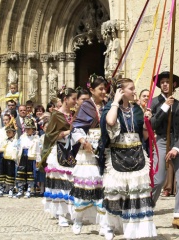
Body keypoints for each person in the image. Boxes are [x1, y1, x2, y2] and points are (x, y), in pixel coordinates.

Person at [101, 78, 157, 239]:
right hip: (117, 156)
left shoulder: (137, 109)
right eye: (131, 88)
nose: (134, 91)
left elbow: (144, 136)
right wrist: (115, 102)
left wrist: (147, 121)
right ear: (121, 91)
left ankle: (134, 229)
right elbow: (110, 121)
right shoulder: (111, 108)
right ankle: (110, 226)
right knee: (115, 192)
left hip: (137, 156)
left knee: (135, 193)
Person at [149, 71, 179, 230]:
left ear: (174, 85)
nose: (165, 84)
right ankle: (146, 209)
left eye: (168, 82)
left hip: (176, 144)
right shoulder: (154, 103)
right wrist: (165, 107)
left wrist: (176, 148)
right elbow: (152, 124)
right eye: (163, 82)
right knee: (158, 180)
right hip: (161, 141)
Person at [69, 76, 106, 235]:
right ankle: (78, 220)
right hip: (88, 153)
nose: (104, 92)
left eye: (105, 89)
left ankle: (105, 224)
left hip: (104, 151)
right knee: (86, 185)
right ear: (92, 90)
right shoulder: (85, 106)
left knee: (104, 188)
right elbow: (76, 128)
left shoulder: (108, 106)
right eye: (101, 89)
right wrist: (84, 142)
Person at [41, 87, 77, 226]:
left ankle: (70, 212)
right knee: (60, 183)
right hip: (59, 150)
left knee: (72, 182)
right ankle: (61, 214)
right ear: (65, 99)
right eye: (73, 99)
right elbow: (49, 134)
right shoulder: (56, 115)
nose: (75, 101)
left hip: (72, 151)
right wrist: (66, 132)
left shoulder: (74, 114)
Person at [14, 117, 40, 198]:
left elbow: (38, 150)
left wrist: (38, 160)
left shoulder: (36, 138)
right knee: (21, 174)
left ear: (33, 129)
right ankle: (20, 190)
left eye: (29, 129)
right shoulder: (22, 137)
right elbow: (17, 147)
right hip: (22, 156)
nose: (27, 130)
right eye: (26, 128)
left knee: (30, 174)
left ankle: (29, 190)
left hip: (31, 157)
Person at [0, 118, 18, 198]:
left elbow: (15, 150)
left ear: (14, 133)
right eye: (7, 132)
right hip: (3, 159)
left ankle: (11, 190)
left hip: (10, 160)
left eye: (9, 132)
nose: (8, 133)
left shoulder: (15, 141)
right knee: (2, 174)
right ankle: (1, 190)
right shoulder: (5, 140)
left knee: (10, 174)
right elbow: (1, 147)